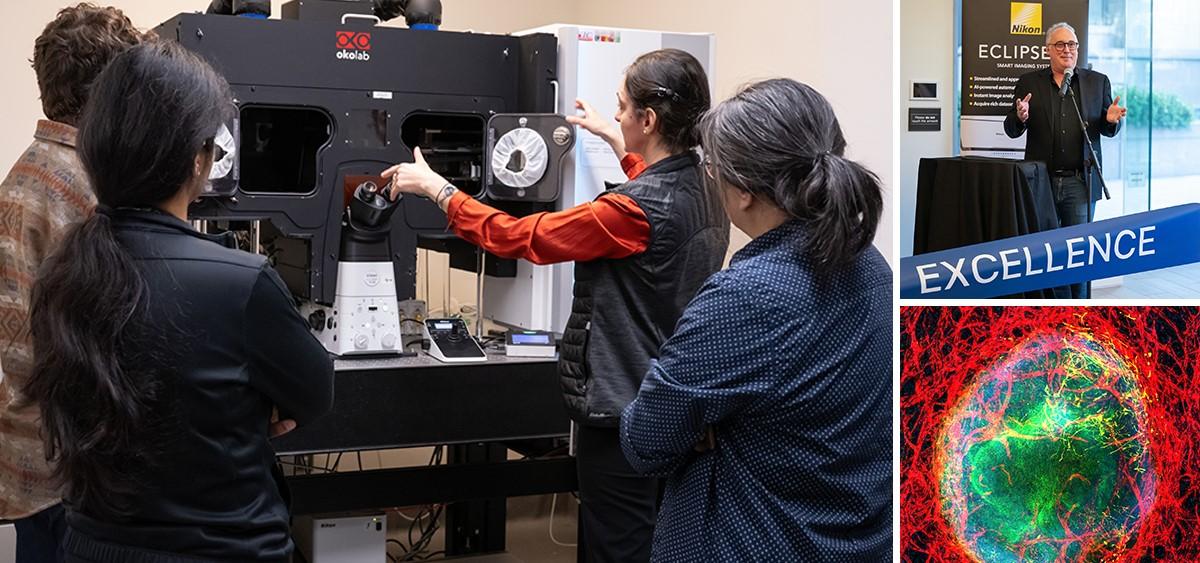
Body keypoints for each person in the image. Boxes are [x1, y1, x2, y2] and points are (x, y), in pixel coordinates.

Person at [386, 48, 729, 562]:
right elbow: (658, 205)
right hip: (668, 405)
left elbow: (520, 235)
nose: (615, 115)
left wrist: (437, 189)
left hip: (620, 415)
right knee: (649, 540)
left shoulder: (628, 212)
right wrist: (619, 143)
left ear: (649, 119)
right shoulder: (708, 189)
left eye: (621, 108)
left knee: (617, 548)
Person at [21, 41, 334, 563]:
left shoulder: (62, 272)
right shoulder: (241, 283)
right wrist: (248, 405)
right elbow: (314, 395)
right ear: (197, 159)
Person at [620, 78, 892, 561]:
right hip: (857, 539)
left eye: (711, 167)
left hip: (756, 541)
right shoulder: (871, 265)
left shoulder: (745, 298)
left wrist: (712, 424)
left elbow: (647, 440)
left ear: (743, 190)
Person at [0, 5, 144, 561]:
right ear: (111, 90)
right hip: (81, 473)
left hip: (32, 459)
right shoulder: (88, 190)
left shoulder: (25, 176)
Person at [1004, 21, 1125, 299]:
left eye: (1071, 44)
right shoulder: (1028, 83)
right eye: (1060, 44)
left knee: (1079, 254)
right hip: (1041, 183)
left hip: (1079, 183)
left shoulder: (1098, 82)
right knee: (1043, 252)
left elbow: (1107, 129)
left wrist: (1110, 121)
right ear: (1048, 50)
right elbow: (1012, 129)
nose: (1067, 50)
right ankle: (1047, 310)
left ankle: (1078, 312)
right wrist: (1020, 116)